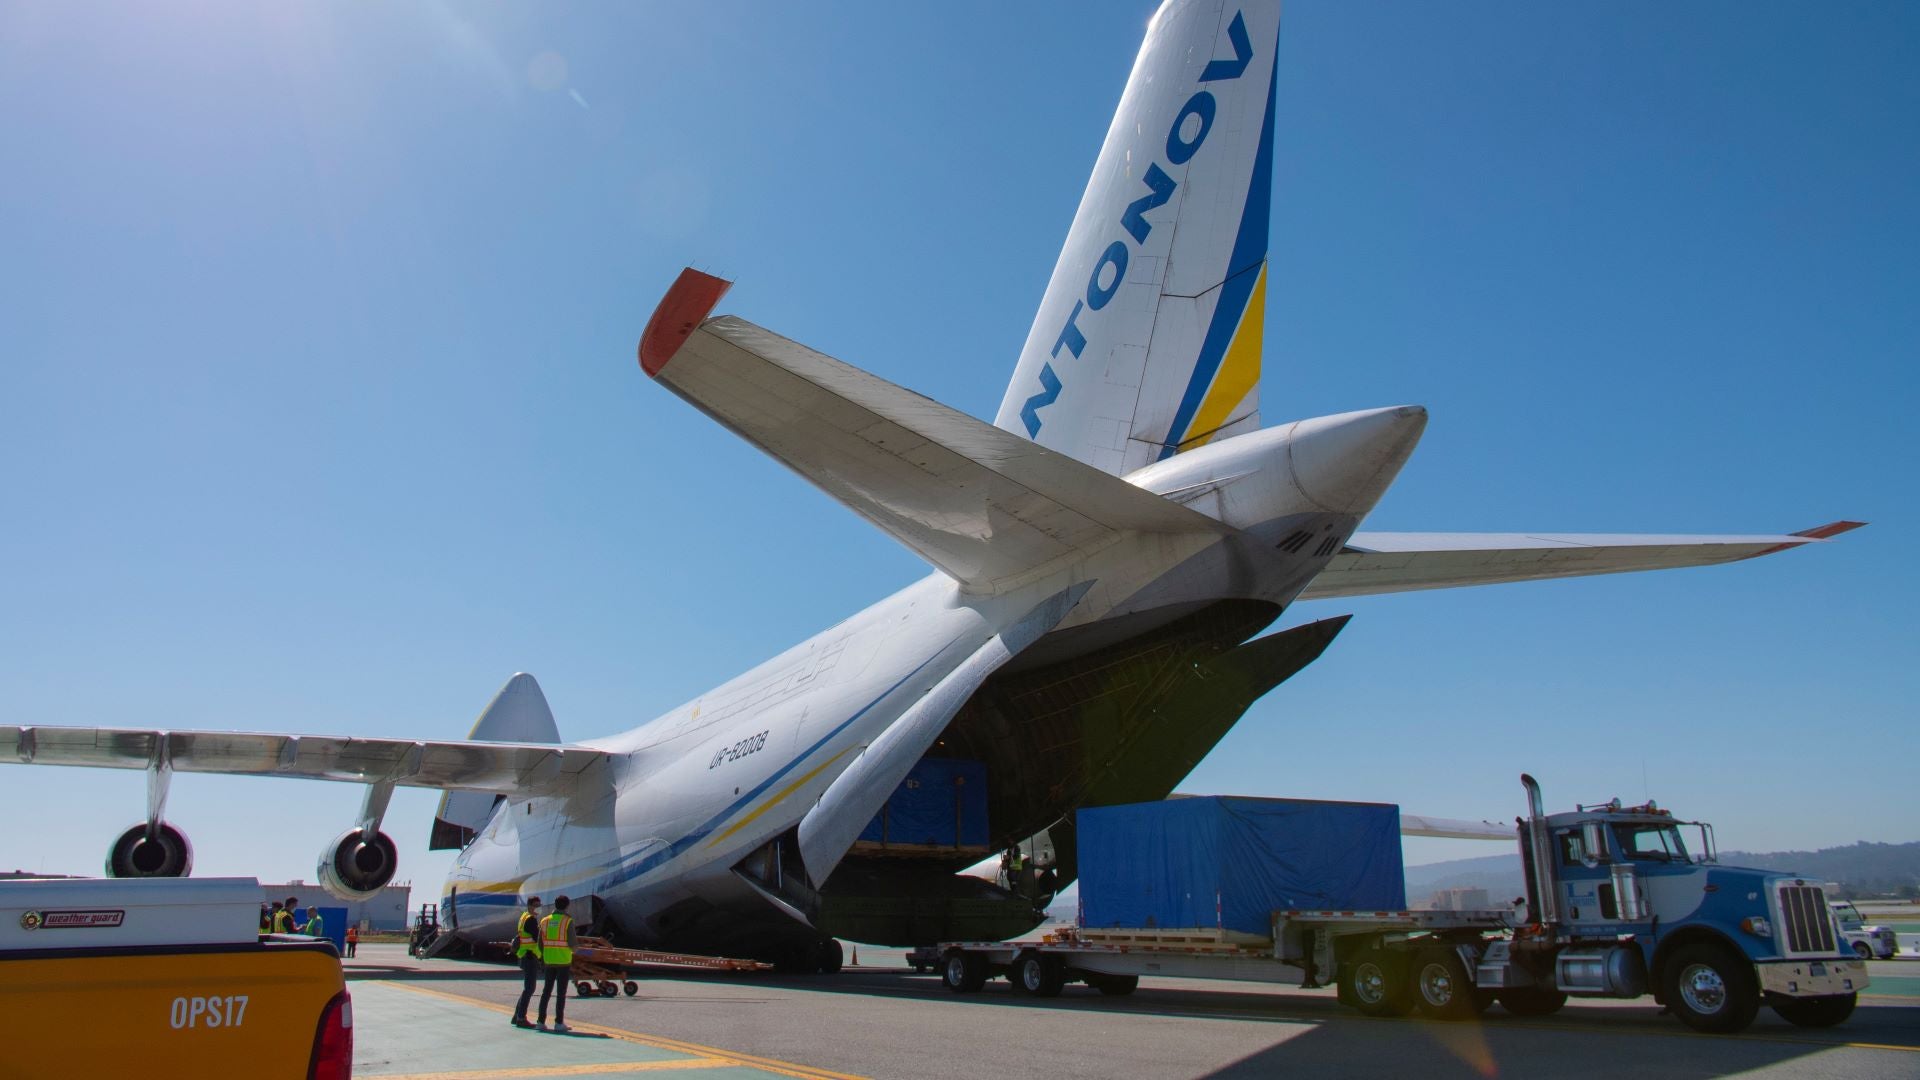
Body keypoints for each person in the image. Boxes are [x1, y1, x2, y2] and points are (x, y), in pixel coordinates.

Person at [536, 895, 578, 1032]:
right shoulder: (567, 921)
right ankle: (559, 1023)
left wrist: (543, 958)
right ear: (567, 906)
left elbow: (540, 944)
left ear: (554, 905)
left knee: (546, 992)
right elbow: (573, 944)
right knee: (561, 993)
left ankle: (540, 1022)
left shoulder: (544, 921)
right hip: (563, 962)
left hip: (549, 961)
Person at [510, 897, 544, 1029]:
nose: (538, 907)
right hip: (529, 956)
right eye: (536, 905)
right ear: (530, 906)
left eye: (539, 905)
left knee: (527, 988)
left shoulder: (524, 917)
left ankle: (516, 1016)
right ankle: (521, 1018)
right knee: (529, 988)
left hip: (525, 955)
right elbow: (538, 937)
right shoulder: (530, 919)